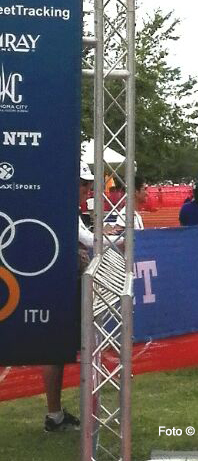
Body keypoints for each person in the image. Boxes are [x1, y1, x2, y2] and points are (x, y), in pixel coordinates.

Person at [42, 163, 95, 432]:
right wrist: (114, 240)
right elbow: (85, 240)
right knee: (55, 351)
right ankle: (54, 415)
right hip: (58, 287)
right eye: (84, 184)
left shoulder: (70, 207)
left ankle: (57, 414)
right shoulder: (60, 205)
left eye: (89, 184)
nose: (88, 190)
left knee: (64, 350)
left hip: (68, 284)